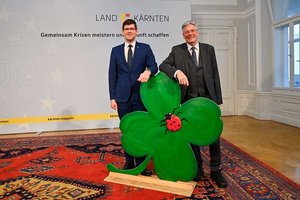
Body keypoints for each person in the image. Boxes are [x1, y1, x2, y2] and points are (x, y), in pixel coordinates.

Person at [159, 21, 227, 188]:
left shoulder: (208, 49)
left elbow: (215, 75)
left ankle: (216, 169)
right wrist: (177, 71)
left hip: (207, 100)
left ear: (197, 32)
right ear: (183, 35)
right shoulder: (177, 50)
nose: (190, 34)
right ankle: (198, 168)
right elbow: (163, 66)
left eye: (192, 31)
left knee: (213, 135)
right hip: (187, 102)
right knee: (192, 135)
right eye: (186, 32)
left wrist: (217, 100)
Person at [108, 19, 158, 176]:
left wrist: (148, 71)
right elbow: (112, 75)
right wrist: (112, 97)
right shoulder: (115, 50)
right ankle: (129, 162)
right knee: (127, 131)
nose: (129, 31)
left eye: (132, 28)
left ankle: (141, 164)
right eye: (126, 29)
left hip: (140, 97)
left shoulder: (145, 48)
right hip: (122, 98)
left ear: (137, 31)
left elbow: (154, 65)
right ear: (122, 32)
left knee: (140, 131)